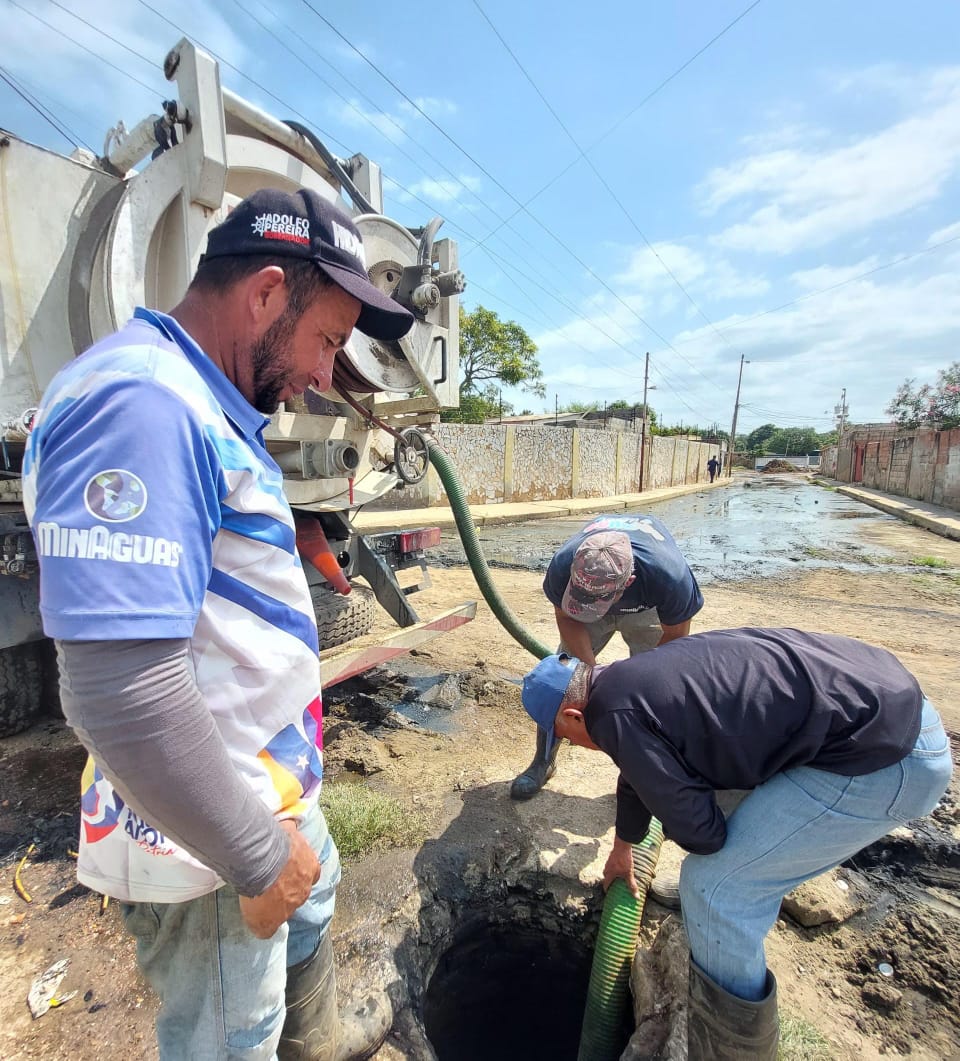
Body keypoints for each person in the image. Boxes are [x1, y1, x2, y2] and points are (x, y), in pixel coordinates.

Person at [23, 187, 415, 1060]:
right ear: (267, 293)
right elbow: (119, 691)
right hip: (210, 840)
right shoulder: (144, 405)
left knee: (319, 896)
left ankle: (320, 1039)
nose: (325, 374)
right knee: (231, 1035)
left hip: (259, 795)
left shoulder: (191, 395)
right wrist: (255, 856)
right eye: (327, 341)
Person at [520, 630, 953, 1060]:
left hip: (887, 760)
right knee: (713, 825)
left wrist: (678, 810)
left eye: (563, 736)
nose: (572, 745)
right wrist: (624, 847)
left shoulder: (615, 715)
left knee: (714, 888)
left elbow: (704, 836)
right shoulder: (624, 682)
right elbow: (639, 765)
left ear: (575, 716)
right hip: (887, 710)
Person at [510, 514, 703, 800]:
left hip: (646, 609)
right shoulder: (564, 565)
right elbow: (567, 616)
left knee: (657, 693)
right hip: (580, 613)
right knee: (561, 680)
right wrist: (589, 676)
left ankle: (648, 774)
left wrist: (630, 686)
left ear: (630, 581)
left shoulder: (669, 576)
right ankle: (543, 761)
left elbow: (674, 642)